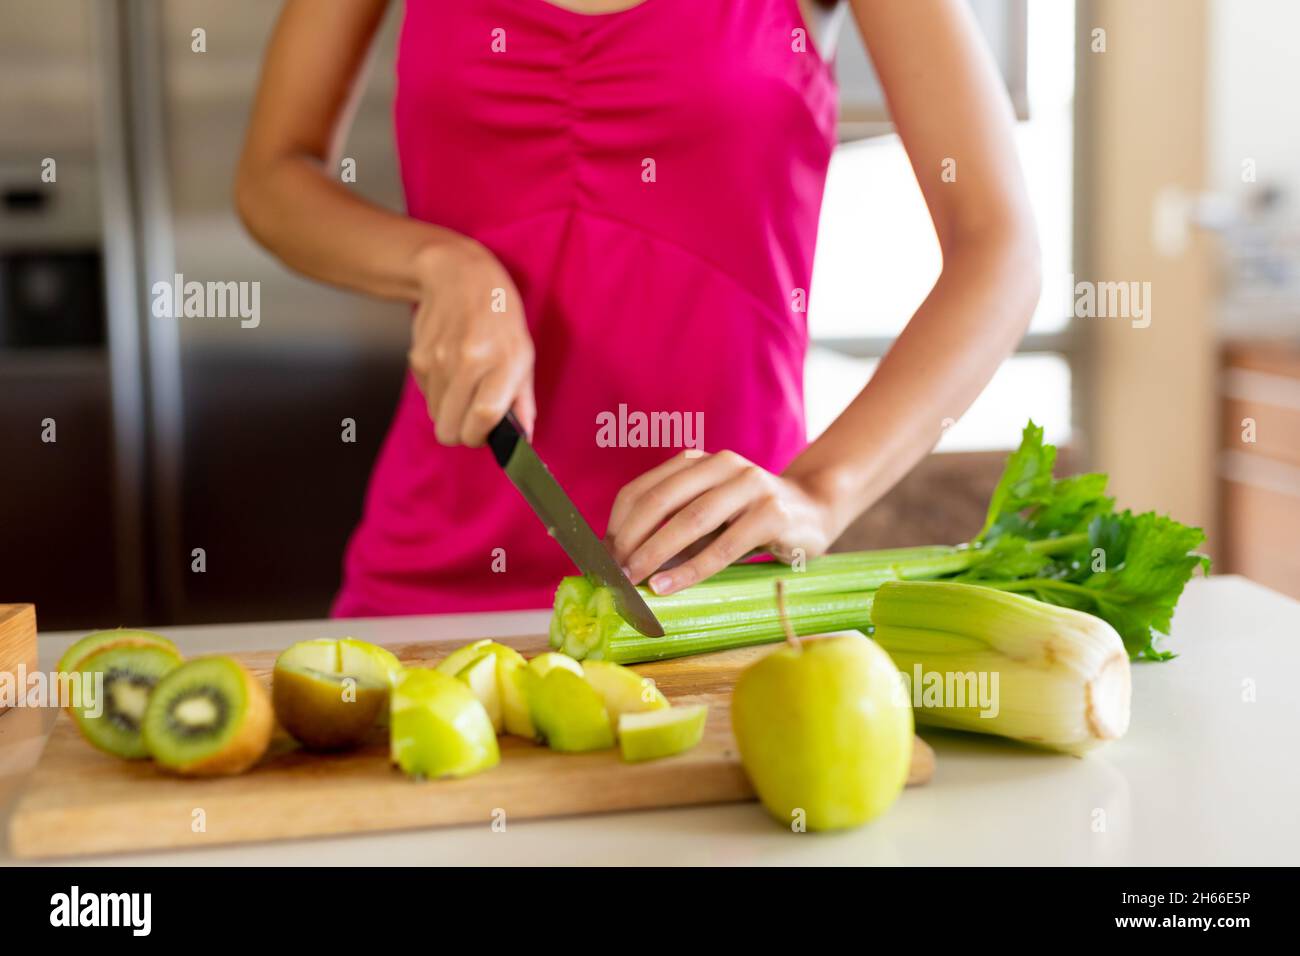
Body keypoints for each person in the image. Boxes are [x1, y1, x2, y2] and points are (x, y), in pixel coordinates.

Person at [235, 0, 1040, 617]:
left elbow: (997, 246)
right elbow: (273, 174)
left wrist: (820, 492)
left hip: (710, 585)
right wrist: (437, 263)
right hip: (435, 572)